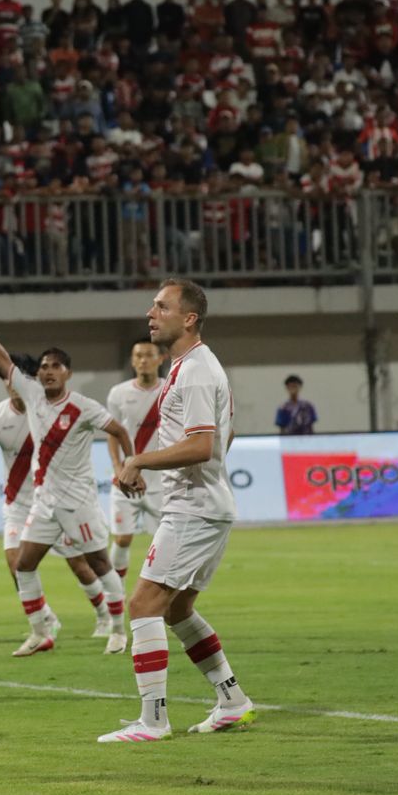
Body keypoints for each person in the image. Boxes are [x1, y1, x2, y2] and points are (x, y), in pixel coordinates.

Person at [106, 280, 254, 742]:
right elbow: (223, 437)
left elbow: (203, 444)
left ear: (188, 318)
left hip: (194, 508)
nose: (151, 313)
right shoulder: (193, 366)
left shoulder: (194, 372)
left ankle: (153, 720)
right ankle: (233, 701)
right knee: (177, 609)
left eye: (161, 306)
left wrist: (139, 460)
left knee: (143, 604)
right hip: (204, 504)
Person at [0, 297, 133, 656]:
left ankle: (118, 629)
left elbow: (118, 430)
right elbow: (1, 360)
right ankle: (41, 630)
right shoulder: (33, 396)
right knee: (23, 565)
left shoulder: (83, 407)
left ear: (68, 372)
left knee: (100, 565)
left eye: (56, 366)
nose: (49, 371)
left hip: (79, 503)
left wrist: (132, 466)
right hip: (43, 503)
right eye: (44, 366)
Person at [0, 354, 109, 641]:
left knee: (80, 565)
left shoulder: (49, 411)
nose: (13, 385)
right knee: (16, 564)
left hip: (54, 503)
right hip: (18, 506)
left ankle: (104, 614)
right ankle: (46, 620)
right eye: (8, 380)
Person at [106, 338, 167, 580]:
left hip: (161, 481)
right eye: (138, 355)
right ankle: (115, 594)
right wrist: (118, 468)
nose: (143, 360)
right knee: (122, 538)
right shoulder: (118, 394)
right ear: (132, 360)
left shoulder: (170, 390)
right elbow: (112, 434)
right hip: (127, 478)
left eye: (149, 355)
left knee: (162, 543)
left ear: (160, 359)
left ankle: (159, 591)